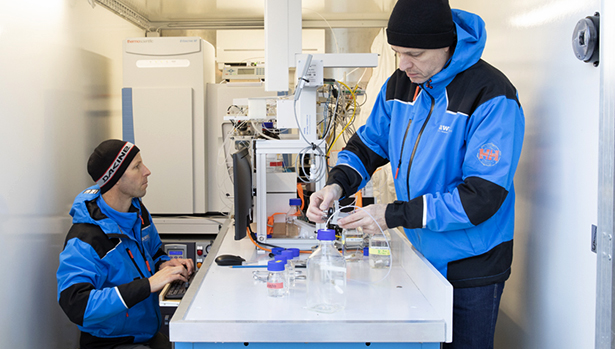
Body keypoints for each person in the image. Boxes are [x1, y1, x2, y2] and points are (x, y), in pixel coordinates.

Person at [306, 0, 524, 348]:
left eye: (415, 53)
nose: (404, 64)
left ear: (447, 44)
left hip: (472, 266)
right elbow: (369, 146)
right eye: (397, 53)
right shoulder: (402, 85)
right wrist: (336, 184)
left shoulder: (491, 95)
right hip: (421, 254)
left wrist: (391, 214)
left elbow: (480, 199)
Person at [57, 139, 194, 349]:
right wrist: (149, 284)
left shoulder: (137, 212)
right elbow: (77, 305)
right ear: (116, 179)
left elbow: (153, 252)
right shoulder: (85, 238)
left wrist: (164, 265)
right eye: (137, 166)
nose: (147, 171)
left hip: (145, 334)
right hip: (111, 343)